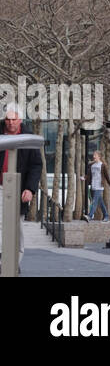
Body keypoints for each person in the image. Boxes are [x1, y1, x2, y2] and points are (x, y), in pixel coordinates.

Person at [0, 104, 41, 271]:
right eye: (7, 119)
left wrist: (30, 189)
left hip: (18, 189)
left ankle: (13, 264)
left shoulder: (29, 138)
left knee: (17, 228)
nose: (10, 123)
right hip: (1, 187)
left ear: (20, 120)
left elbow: (36, 165)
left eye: (14, 120)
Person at [86, 150, 108, 220]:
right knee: (100, 202)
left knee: (94, 201)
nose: (93, 156)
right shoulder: (92, 165)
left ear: (99, 156)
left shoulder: (102, 165)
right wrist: (84, 178)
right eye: (93, 155)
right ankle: (106, 215)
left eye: (95, 155)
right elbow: (89, 174)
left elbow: (107, 177)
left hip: (99, 186)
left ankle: (90, 216)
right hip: (93, 185)